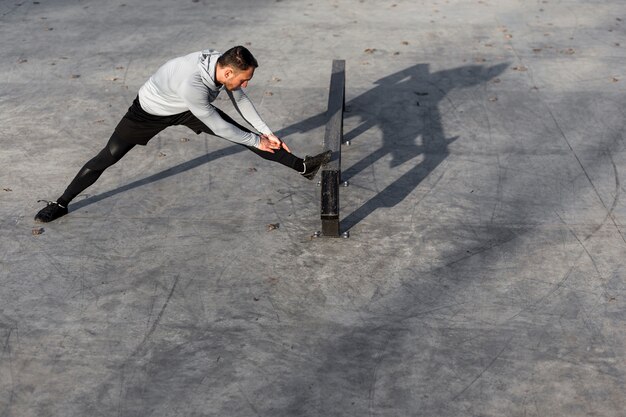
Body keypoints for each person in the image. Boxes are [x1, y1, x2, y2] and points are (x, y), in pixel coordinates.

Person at [34, 45, 331, 222]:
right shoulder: (194, 83)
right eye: (244, 79)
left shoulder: (222, 64)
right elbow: (219, 126)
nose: (246, 84)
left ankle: (304, 167)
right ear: (228, 73)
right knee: (107, 157)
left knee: (248, 136)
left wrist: (267, 133)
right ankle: (61, 203)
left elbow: (240, 99)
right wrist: (256, 138)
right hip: (148, 112)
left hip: (187, 107)